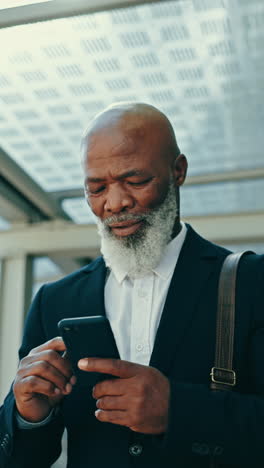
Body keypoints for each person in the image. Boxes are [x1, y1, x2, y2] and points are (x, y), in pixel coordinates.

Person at [0, 102, 263, 468]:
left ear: (178, 171)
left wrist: (178, 410)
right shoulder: (55, 301)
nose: (116, 202)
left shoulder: (252, 282)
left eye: (135, 181)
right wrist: (28, 414)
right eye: (96, 188)